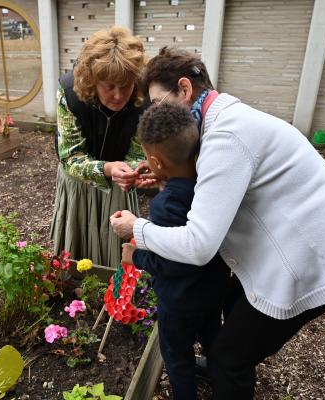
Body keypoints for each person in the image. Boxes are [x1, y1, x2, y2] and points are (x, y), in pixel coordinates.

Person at [110, 47, 325, 399]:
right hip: (298, 239)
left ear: (185, 90)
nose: (158, 114)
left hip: (311, 254)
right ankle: (222, 364)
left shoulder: (225, 136)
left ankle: (226, 367)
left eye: (159, 103)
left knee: (231, 356)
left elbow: (199, 246)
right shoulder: (222, 118)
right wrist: (164, 175)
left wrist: (137, 229)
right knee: (231, 312)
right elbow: (219, 183)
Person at [121, 102, 230, 400]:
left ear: (154, 160)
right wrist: (163, 177)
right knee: (212, 339)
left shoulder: (165, 205)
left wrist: (136, 255)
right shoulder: (213, 187)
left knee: (177, 356)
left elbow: (174, 263)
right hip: (213, 293)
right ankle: (222, 384)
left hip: (179, 301)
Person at [51, 26, 150, 268]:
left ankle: (116, 292)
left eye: (125, 86)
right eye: (109, 86)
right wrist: (106, 168)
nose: (118, 95)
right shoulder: (69, 93)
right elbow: (71, 157)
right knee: (75, 250)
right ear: (93, 80)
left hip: (118, 185)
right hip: (78, 184)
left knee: (115, 255)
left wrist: (131, 172)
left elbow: (138, 152)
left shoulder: (143, 98)